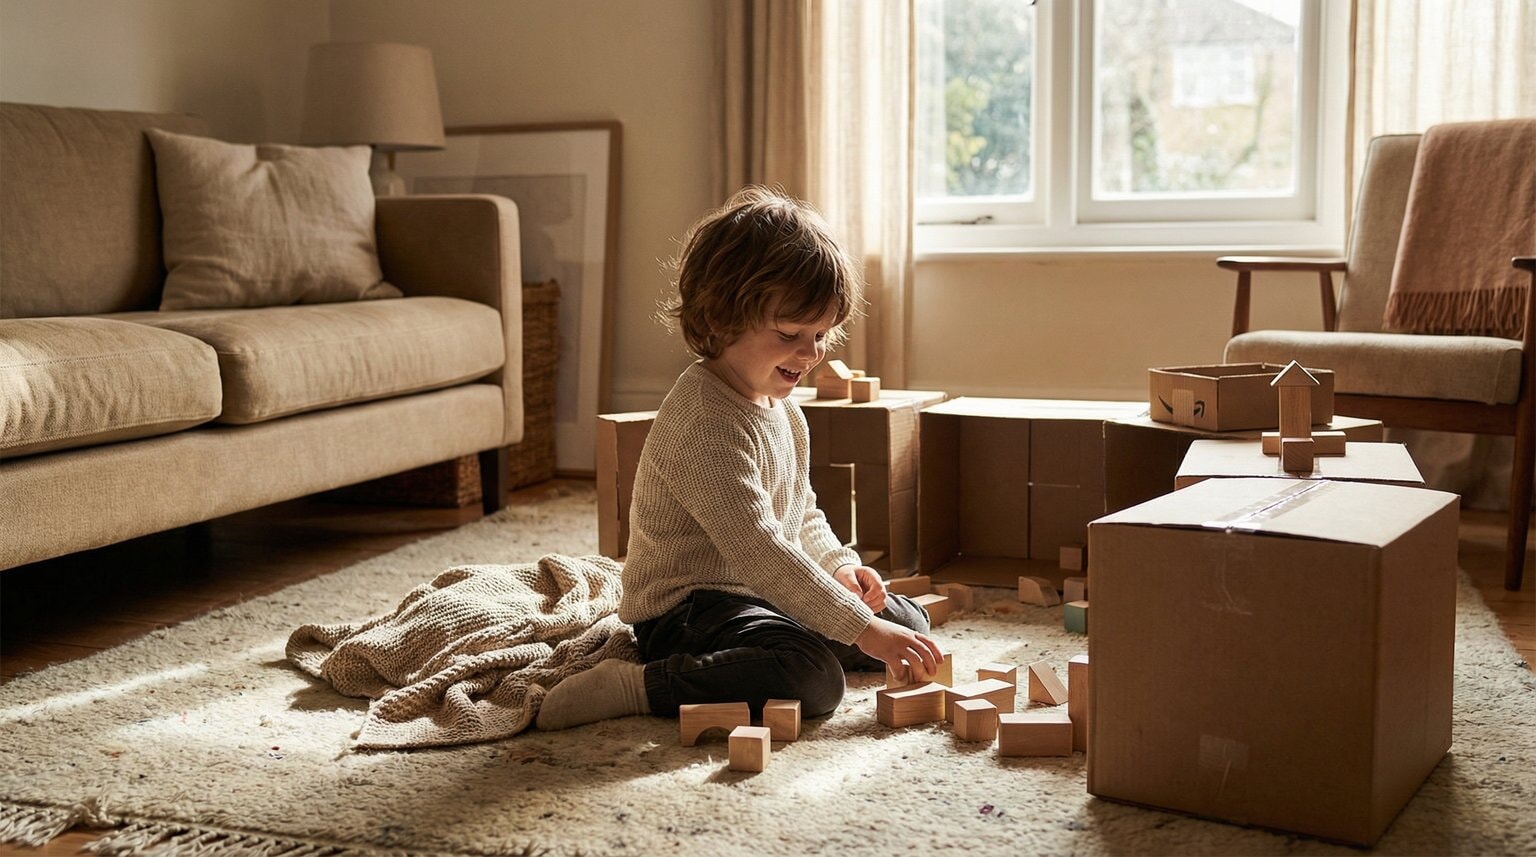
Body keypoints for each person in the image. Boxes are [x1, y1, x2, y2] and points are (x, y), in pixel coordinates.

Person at [537, 186, 943, 730]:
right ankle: (640, 685)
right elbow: (760, 550)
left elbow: (800, 518)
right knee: (813, 677)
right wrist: (862, 632)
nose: (811, 353)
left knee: (904, 617)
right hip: (688, 610)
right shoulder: (704, 419)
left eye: (821, 334)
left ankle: (816, 624)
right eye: (790, 334)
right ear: (722, 318)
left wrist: (842, 568)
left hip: (760, 594)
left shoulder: (783, 408)